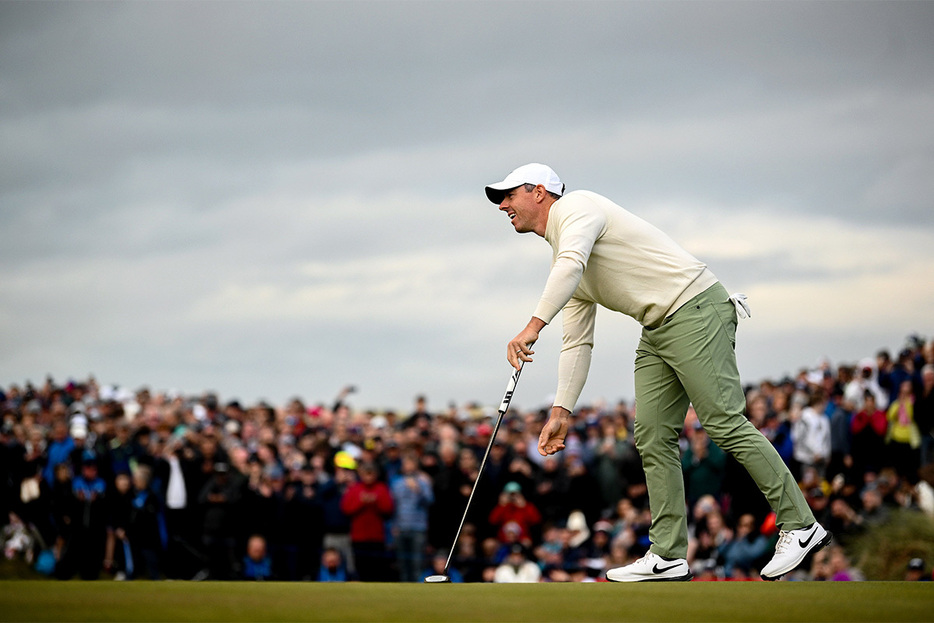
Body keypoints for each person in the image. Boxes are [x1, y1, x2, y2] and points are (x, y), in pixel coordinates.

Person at [485, 163, 830, 582]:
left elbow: (572, 264)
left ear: (539, 192)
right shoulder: (566, 260)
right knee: (650, 434)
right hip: (657, 330)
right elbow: (577, 342)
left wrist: (531, 326)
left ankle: (800, 524)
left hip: (696, 308)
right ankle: (667, 553)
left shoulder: (578, 207)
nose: (503, 204)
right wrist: (562, 411)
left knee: (722, 422)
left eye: (509, 195)